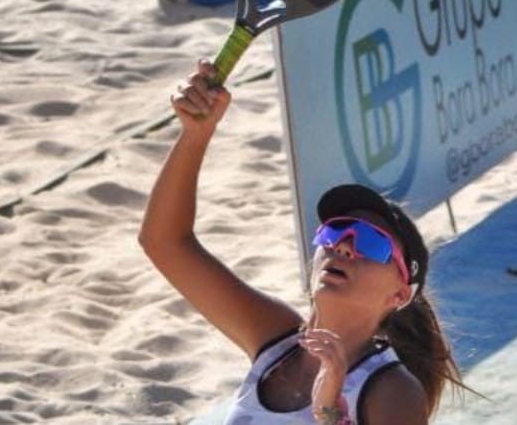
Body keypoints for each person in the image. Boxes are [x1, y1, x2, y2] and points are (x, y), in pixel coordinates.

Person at [139, 60, 466, 424]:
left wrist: (328, 411)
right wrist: (195, 135)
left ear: (400, 295)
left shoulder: (393, 392)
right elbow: (165, 242)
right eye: (335, 231)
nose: (343, 246)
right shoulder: (275, 338)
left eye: (372, 243)